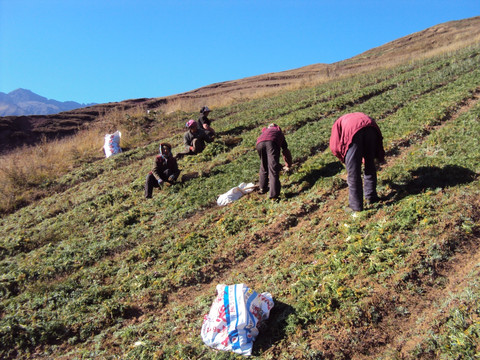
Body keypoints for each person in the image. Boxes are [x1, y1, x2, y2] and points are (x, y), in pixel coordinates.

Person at [329, 112, 385, 212]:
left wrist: (344, 159)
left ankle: (355, 207)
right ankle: (371, 197)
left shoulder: (337, 124)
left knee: (353, 173)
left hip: (353, 132)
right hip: (371, 127)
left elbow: (334, 147)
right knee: (370, 164)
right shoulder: (350, 118)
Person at [256, 123, 293, 200]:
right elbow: (285, 152)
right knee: (273, 169)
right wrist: (288, 164)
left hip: (259, 144)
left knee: (264, 165)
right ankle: (274, 195)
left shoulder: (265, 132)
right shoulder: (279, 133)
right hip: (271, 143)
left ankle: (262, 188)